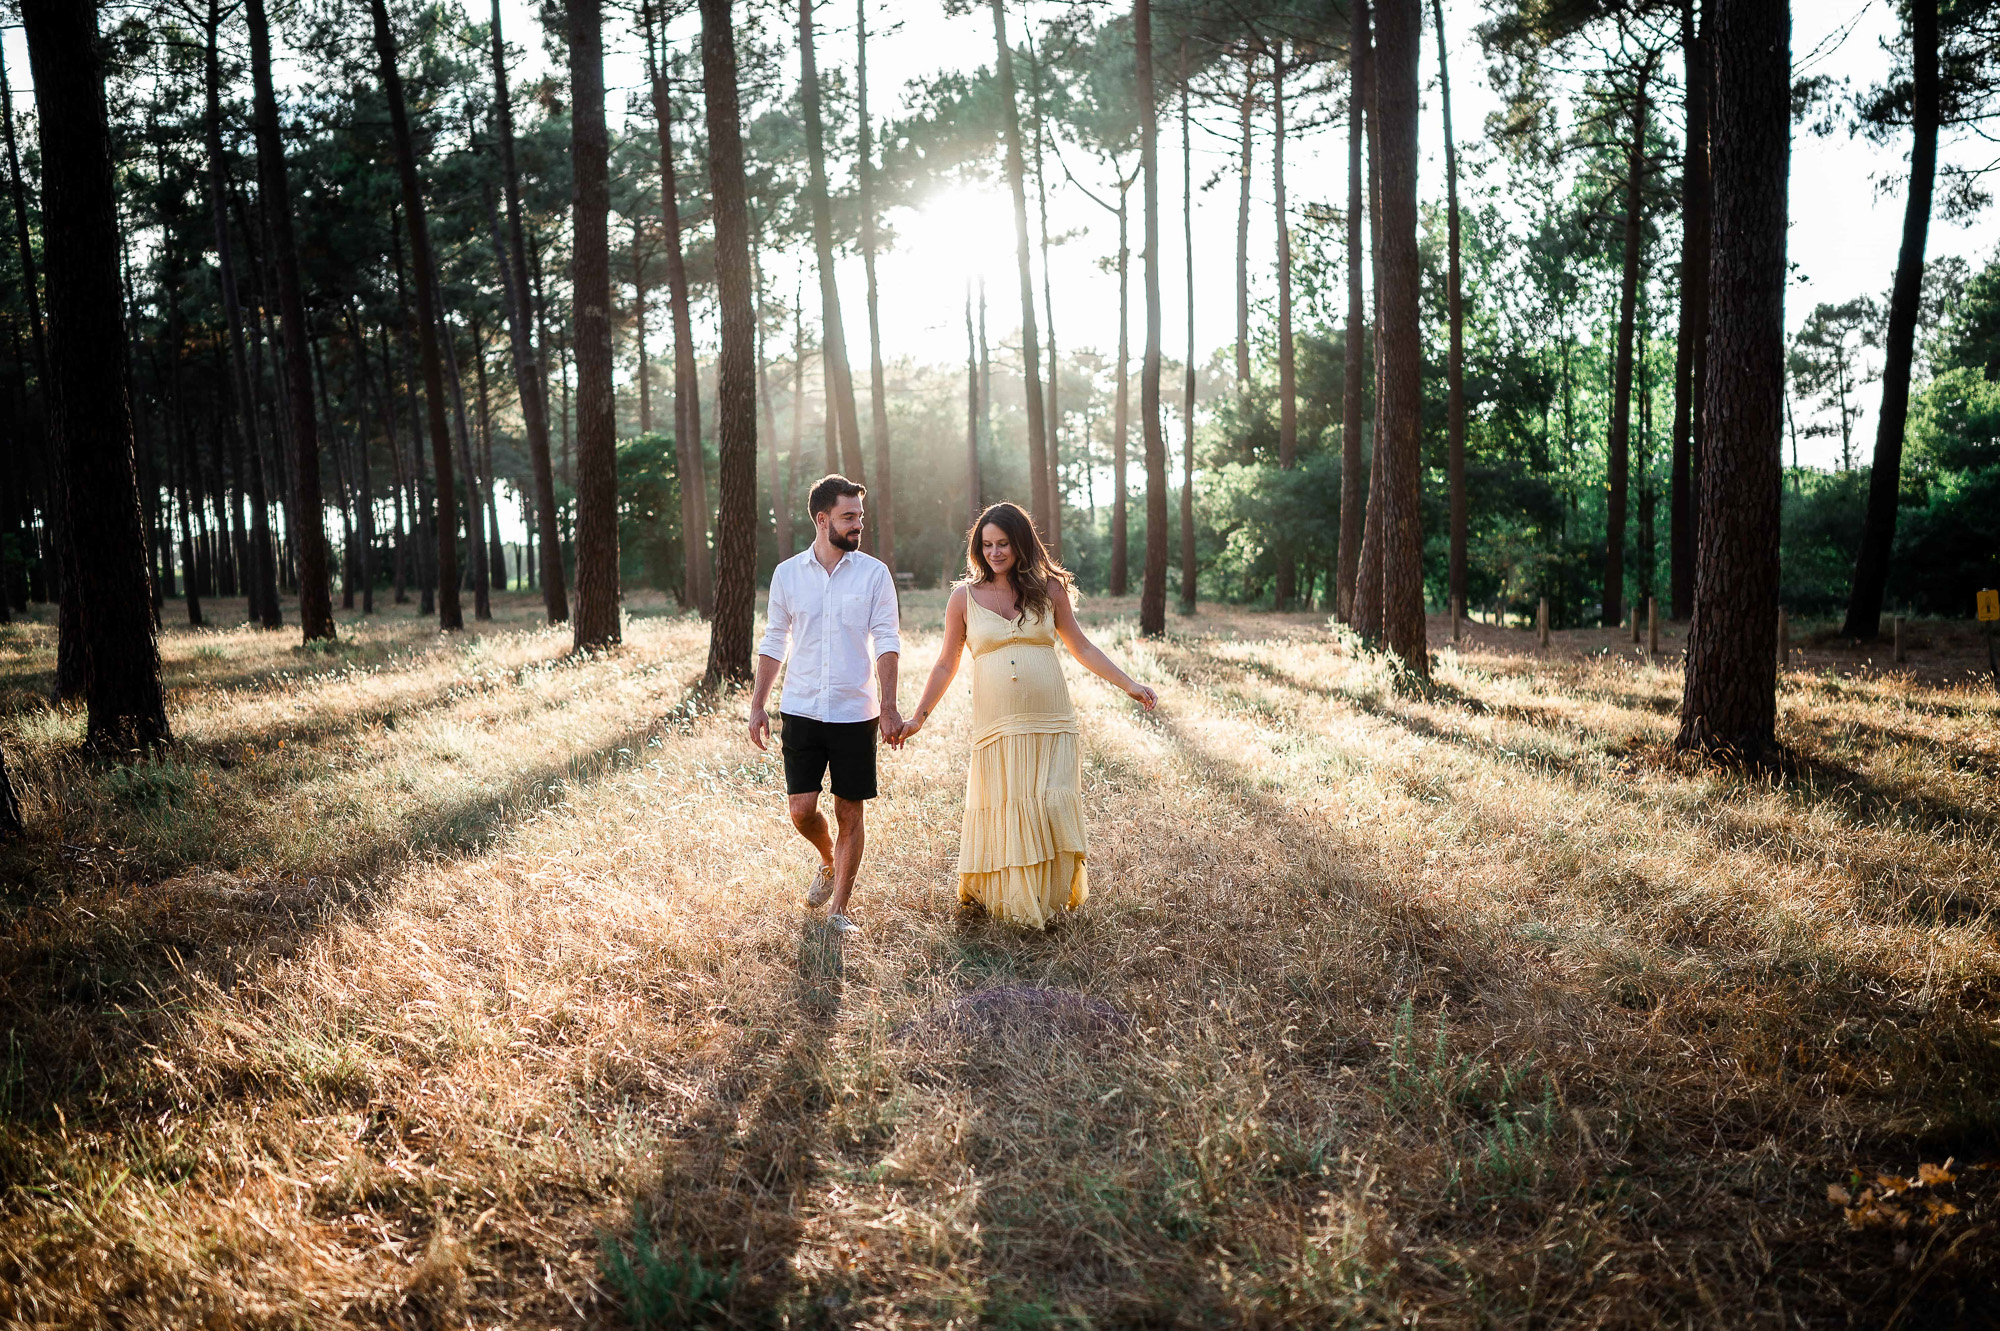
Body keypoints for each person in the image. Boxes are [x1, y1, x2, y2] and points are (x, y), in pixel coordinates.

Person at [899, 502, 1157, 928]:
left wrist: (1128, 683)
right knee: (1007, 806)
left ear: (1021, 544)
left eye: (1003, 544)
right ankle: (1009, 903)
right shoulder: (963, 598)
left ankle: (1049, 900)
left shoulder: (1048, 590)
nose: (995, 553)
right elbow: (946, 663)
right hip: (998, 726)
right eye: (986, 545)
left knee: (1049, 802)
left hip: (1051, 720)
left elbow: (1082, 646)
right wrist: (919, 717)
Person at [748, 475, 902, 936]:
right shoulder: (787, 574)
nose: (858, 526)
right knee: (801, 809)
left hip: (856, 711)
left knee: (850, 810)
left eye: (859, 517)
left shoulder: (874, 574)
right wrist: (759, 704)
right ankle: (827, 858)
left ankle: (838, 911)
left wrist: (890, 707)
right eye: (848, 517)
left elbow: (888, 640)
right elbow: (776, 640)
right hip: (800, 707)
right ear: (822, 519)